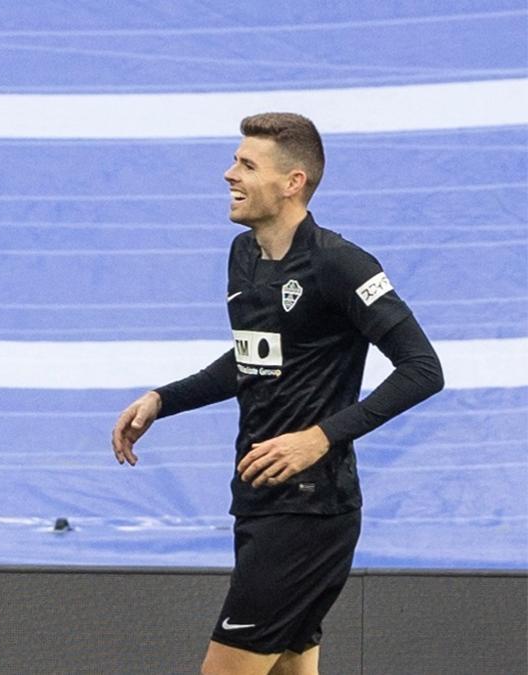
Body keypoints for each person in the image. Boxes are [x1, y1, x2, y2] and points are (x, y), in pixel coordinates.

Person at [112, 113, 444, 675]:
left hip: (310, 511)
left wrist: (319, 437)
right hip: (259, 501)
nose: (228, 174)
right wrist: (163, 400)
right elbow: (252, 359)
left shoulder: (342, 264)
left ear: (293, 183)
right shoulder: (243, 255)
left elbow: (423, 368)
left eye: (246, 165)